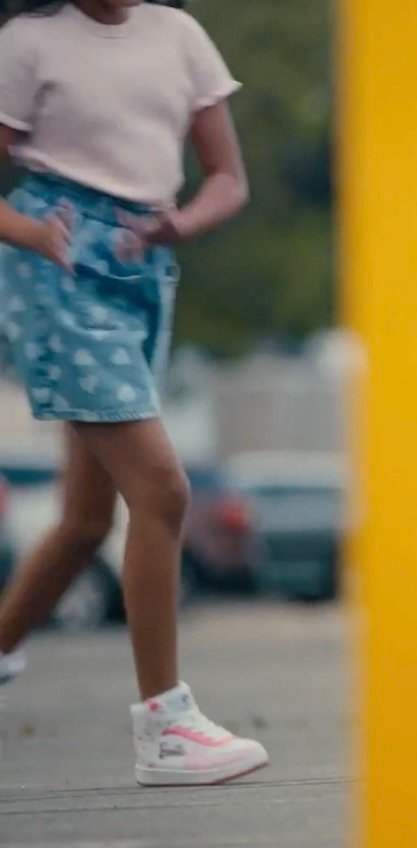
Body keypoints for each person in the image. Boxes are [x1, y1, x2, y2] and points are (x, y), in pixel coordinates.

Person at [0, 0, 268, 784]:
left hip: (145, 262)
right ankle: (166, 727)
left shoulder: (177, 34)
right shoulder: (28, 43)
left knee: (86, 519)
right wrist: (31, 233)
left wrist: (182, 224)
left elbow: (228, 177)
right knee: (163, 491)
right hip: (58, 264)